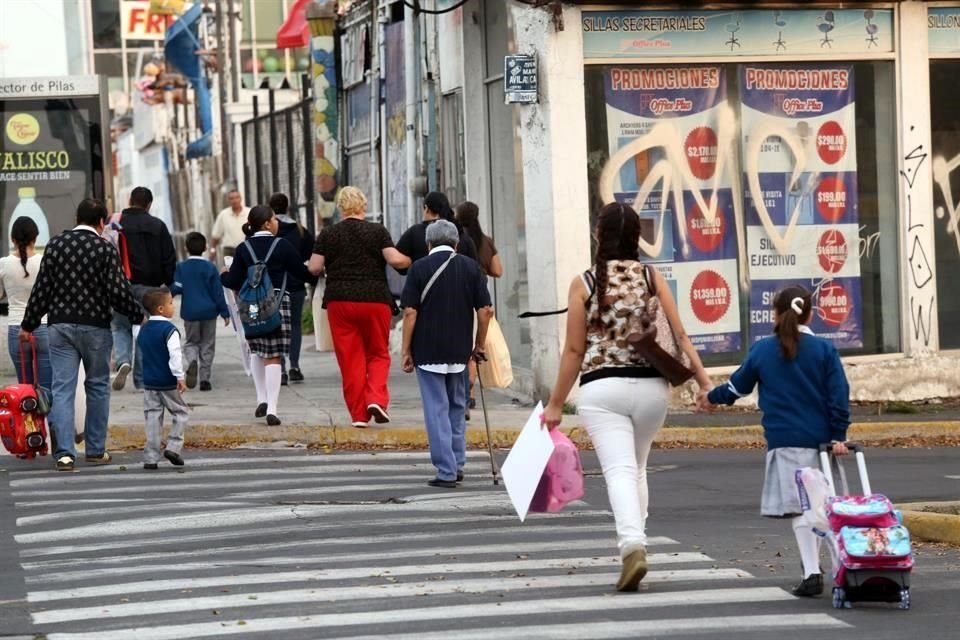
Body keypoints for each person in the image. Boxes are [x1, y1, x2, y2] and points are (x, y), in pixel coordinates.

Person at [540, 202, 712, 592]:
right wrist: (703, 382)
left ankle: (632, 546)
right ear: (638, 238)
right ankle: (638, 537)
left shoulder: (584, 283)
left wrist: (554, 405)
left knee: (619, 470)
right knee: (636, 467)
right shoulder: (651, 277)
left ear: (598, 235)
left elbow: (572, 352)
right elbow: (680, 336)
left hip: (602, 390)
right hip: (652, 389)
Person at [700, 286, 851, 598]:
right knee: (823, 506)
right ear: (810, 314)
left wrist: (710, 398)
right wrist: (839, 433)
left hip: (784, 440)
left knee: (802, 509)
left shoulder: (763, 349)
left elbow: (736, 388)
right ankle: (842, 567)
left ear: (775, 314)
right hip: (821, 441)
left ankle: (812, 572)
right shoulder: (824, 350)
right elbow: (839, 395)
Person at [20, 198, 144, 471]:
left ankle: (64, 453)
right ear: (101, 222)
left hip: (60, 327)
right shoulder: (104, 248)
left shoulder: (55, 245)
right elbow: (117, 291)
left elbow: (43, 289)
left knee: (62, 389)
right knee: (98, 387)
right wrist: (138, 316)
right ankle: (96, 450)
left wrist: (28, 325)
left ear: (77, 217)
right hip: (96, 328)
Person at [400, 220, 493, 488]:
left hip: (428, 350)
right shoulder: (471, 267)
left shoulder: (418, 268)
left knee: (436, 409)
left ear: (429, 244)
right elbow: (486, 310)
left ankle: (446, 470)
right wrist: (479, 345)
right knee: (456, 407)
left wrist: (406, 350)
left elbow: (410, 312)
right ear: (455, 243)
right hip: (459, 350)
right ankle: (458, 462)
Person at [308, 187, 410, 427]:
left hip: (339, 301)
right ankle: (375, 398)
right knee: (377, 352)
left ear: (341, 207)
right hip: (375, 299)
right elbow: (395, 260)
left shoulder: (328, 234)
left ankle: (358, 416)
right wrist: (411, 260)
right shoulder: (377, 231)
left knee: (350, 358)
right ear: (363, 205)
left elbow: (313, 267)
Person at [221, 205, 316, 426]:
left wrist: (223, 275)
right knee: (274, 355)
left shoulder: (244, 248)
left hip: (252, 305)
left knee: (257, 350)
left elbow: (233, 280)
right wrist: (316, 274)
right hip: (276, 302)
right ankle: (272, 408)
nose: (277, 223)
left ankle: (260, 398)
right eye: (274, 219)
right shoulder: (282, 245)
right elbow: (301, 274)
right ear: (266, 223)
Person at [110, 186, 177, 391]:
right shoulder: (158, 226)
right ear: (149, 204)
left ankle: (123, 361)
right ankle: (140, 380)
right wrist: (168, 282)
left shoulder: (116, 225)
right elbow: (169, 257)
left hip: (122, 285)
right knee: (144, 329)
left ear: (130, 200)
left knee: (120, 326)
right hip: (151, 289)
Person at [455, 201, 503, 411]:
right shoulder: (485, 241)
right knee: (475, 345)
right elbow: (498, 271)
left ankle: (463, 391)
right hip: (480, 294)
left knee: (460, 342)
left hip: (457, 293)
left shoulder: (456, 239)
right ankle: (470, 393)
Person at [137, 287, 189, 470]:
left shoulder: (143, 330)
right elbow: (175, 355)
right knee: (181, 412)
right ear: (160, 309)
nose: (173, 307)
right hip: (167, 381)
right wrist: (180, 376)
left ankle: (151, 457)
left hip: (150, 382)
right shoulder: (169, 330)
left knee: (152, 417)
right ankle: (173, 447)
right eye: (170, 303)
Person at [171, 232, 230, 391]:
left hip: (190, 312)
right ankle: (205, 379)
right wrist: (224, 312)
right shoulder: (210, 267)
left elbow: (176, 288)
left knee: (191, 342)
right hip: (209, 312)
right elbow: (218, 292)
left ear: (186, 248)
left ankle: (191, 361)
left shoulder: (181, 268)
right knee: (208, 344)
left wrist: (167, 297)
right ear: (205, 248)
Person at [0, 217, 50, 391]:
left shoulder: (3, 264)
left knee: (25, 388)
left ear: (13, 239)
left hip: (16, 328)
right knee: (47, 388)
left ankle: (27, 418)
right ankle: (49, 418)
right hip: (44, 326)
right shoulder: (45, 261)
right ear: (35, 238)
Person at [270, 192, 313, 385]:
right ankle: (295, 365)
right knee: (295, 325)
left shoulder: (268, 230)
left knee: (274, 327)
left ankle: (280, 369)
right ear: (288, 208)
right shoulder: (300, 230)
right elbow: (311, 253)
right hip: (295, 285)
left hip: (271, 287)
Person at [395, 191, 478, 269]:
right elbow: (475, 268)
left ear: (426, 208)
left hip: (425, 282)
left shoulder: (415, 232)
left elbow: (397, 259)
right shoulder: (461, 234)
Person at [210, 189, 249, 260]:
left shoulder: (249, 212)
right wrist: (213, 249)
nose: (235, 200)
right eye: (231, 198)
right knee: (230, 270)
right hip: (229, 251)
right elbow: (216, 235)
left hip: (246, 248)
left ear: (241, 198)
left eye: (237, 197)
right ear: (228, 200)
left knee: (246, 270)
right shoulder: (223, 215)